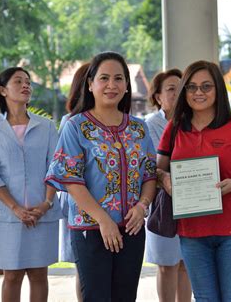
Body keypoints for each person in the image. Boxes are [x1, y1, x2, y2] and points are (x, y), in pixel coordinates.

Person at [45, 51, 157, 301]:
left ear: (127, 86)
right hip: (91, 229)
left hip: (133, 226)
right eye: (104, 78)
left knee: (126, 297)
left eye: (118, 79)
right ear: (90, 84)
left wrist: (142, 207)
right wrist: (103, 220)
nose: (111, 85)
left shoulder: (139, 128)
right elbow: (71, 180)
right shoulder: (76, 126)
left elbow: (150, 175)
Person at [157, 60, 231, 301]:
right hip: (192, 230)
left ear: (218, 88)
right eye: (192, 87)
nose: (198, 93)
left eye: (206, 86)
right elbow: (157, 170)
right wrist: (166, 181)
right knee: (205, 298)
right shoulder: (174, 128)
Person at [0, 67, 62, 302]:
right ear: (3, 90)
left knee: (39, 274)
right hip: (6, 216)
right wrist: (16, 208)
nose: (26, 85)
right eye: (18, 81)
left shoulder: (46, 126)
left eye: (28, 81)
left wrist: (45, 204)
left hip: (42, 212)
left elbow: (55, 168)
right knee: (12, 276)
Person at [145, 69, 192, 302]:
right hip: (163, 203)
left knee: (186, 263)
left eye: (182, 88)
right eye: (171, 89)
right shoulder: (149, 125)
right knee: (167, 264)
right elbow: (154, 164)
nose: (177, 93)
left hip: (193, 199)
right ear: (158, 97)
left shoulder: (194, 121)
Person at [58, 62, 90, 302]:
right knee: (84, 268)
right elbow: (66, 172)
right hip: (80, 204)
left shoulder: (124, 121)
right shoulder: (71, 122)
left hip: (115, 209)